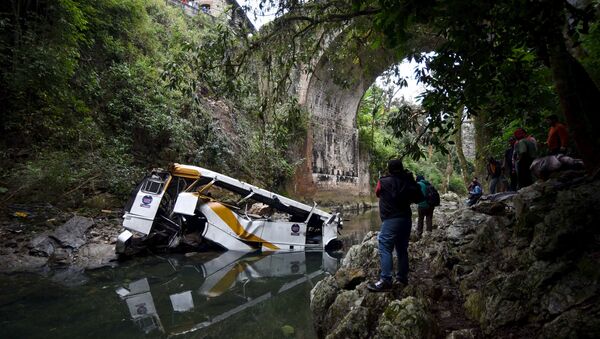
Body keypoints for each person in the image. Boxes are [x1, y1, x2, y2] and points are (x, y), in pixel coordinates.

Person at [367, 159, 424, 292]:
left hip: (391, 219)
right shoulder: (408, 181)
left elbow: (377, 192)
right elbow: (419, 197)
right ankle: (402, 278)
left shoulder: (384, 181)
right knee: (402, 248)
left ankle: (386, 280)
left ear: (389, 169)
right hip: (406, 219)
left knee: (385, 246)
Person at [415, 175, 435, 239]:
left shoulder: (419, 184)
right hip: (430, 205)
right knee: (429, 218)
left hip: (422, 205)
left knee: (420, 219)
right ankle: (429, 234)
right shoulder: (428, 184)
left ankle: (419, 234)